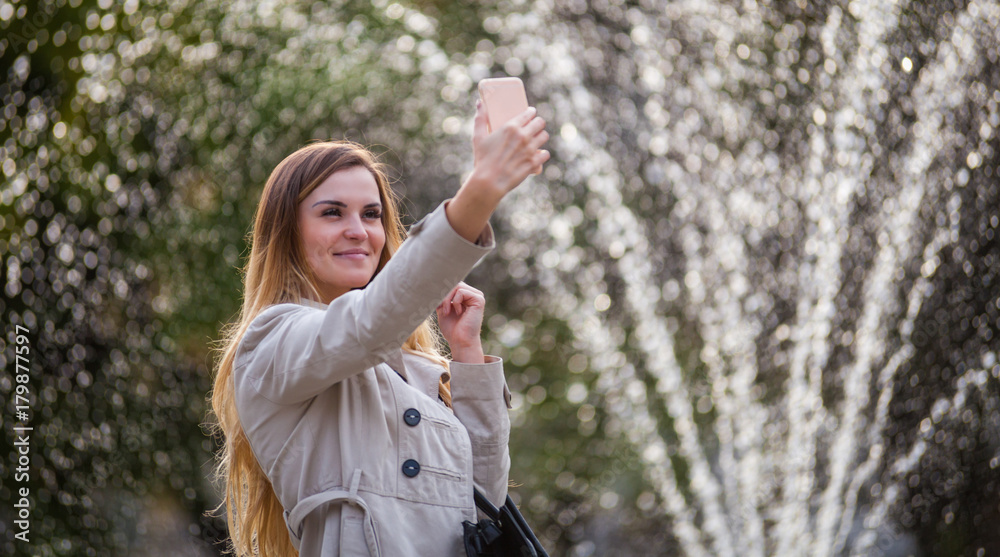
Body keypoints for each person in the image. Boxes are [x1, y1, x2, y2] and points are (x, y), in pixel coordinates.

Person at [208, 100, 549, 556]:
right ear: (288, 231)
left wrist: (466, 353)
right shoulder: (272, 342)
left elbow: (483, 505)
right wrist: (480, 191)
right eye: (332, 213)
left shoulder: (425, 374)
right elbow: (367, 326)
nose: (358, 230)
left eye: (371, 215)